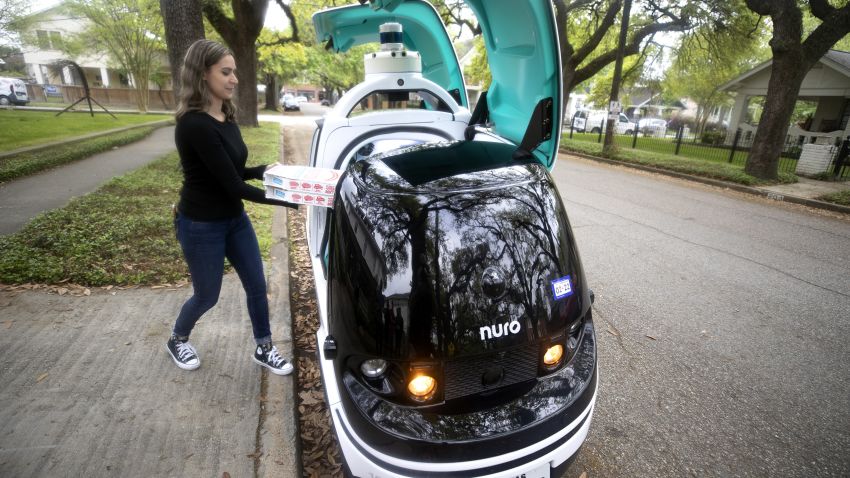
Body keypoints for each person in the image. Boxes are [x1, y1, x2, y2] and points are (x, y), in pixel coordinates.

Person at [165, 39, 296, 376]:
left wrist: (263, 171)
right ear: (202, 74)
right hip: (201, 226)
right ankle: (177, 339)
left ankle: (264, 347)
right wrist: (287, 198)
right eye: (226, 72)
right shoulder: (193, 125)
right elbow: (234, 187)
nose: (234, 79)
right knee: (207, 295)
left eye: (234, 71)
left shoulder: (226, 115)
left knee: (256, 284)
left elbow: (234, 172)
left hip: (233, 220)